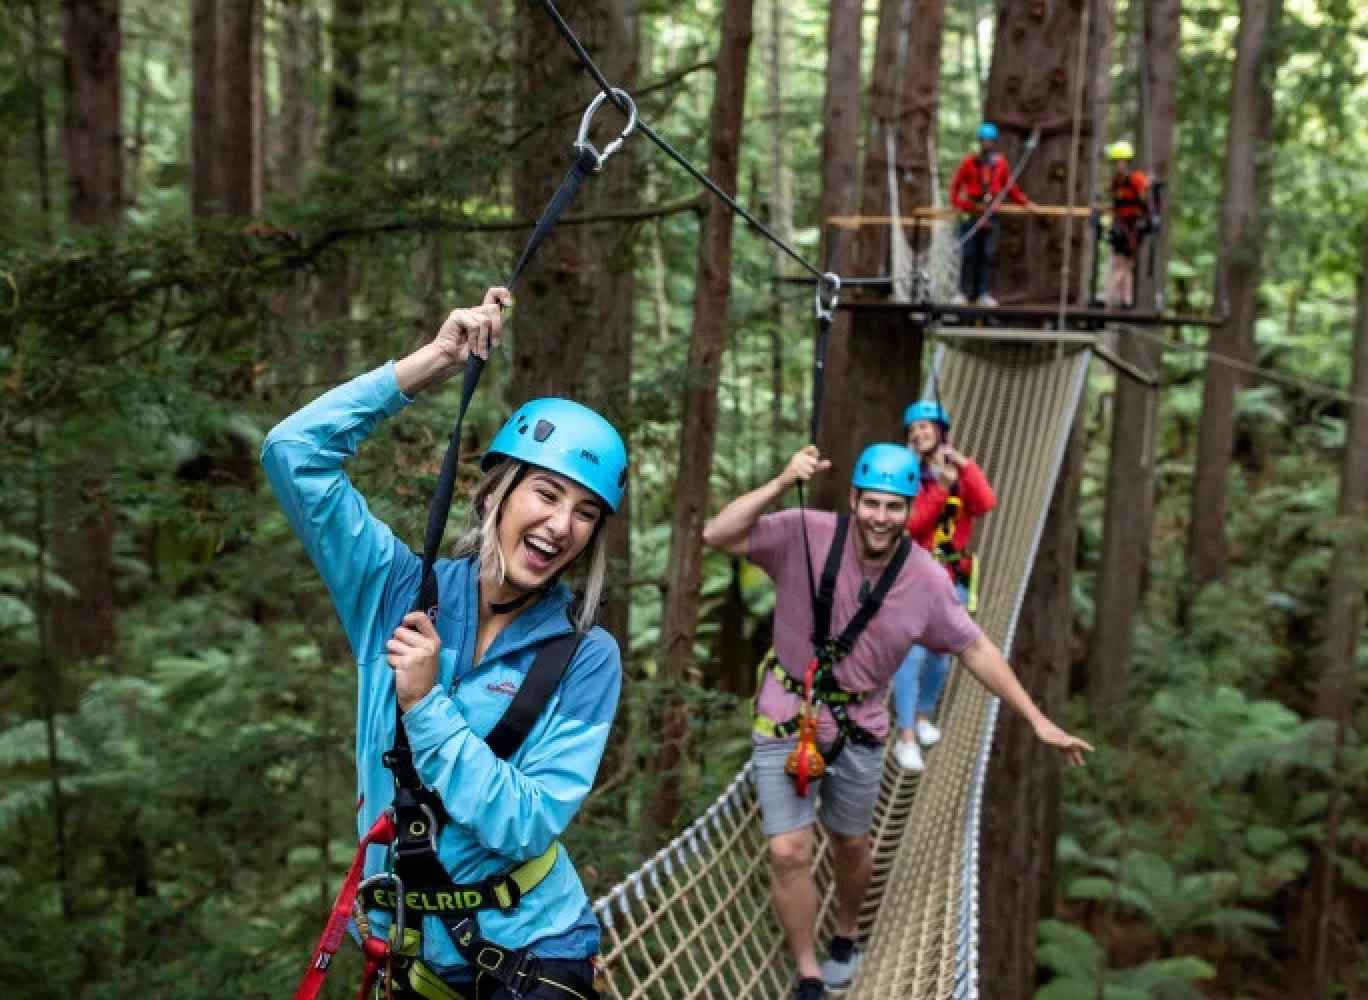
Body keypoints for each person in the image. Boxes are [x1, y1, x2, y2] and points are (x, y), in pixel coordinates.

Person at [263, 287, 624, 1000]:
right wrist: (431, 364)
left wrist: (426, 706)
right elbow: (292, 453)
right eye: (546, 494)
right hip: (417, 958)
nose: (562, 524)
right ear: (497, 493)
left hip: (536, 953)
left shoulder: (586, 654)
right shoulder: (393, 591)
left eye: (586, 513)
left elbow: (526, 822)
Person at [703, 442, 1091, 1000]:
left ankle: (847, 931)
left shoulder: (927, 580)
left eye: (895, 507)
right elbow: (718, 534)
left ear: (911, 510)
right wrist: (784, 480)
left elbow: (975, 648)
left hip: (861, 726)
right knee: (788, 852)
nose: (881, 518)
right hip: (789, 716)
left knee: (851, 843)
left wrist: (1035, 718)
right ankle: (809, 972)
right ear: (855, 500)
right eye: (873, 504)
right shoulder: (804, 531)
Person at [890, 401, 995, 772]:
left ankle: (921, 718)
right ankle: (904, 737)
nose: (920, 434)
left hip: (953, 579)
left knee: (941, 656)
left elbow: (985, 504)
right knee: (911, 655)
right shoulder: (906, 476)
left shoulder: (957, 472)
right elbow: (914, 523)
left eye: (925, 427)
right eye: (914, 429)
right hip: (915, 578)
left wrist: (963, 466)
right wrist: (940, 489)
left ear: (940, 430)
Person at [948, 121, 1031, 308]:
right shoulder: (969, 163)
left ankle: (983, 293)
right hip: (971, 212)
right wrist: (961, 204)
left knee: (986, 255)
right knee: (968, 254)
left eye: (990, 141)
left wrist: (1024, 202)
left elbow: (1009, 186)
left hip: (990, 213)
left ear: (995, 142)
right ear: (979, 142)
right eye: (983, 141)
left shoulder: (1000, 164)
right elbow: (955, 185)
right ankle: (962, 292)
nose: (986, 144)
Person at [1104, 140, 1155, 309]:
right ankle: (1126, 299)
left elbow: (1145, 201)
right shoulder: (1117, 182)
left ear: (1126, 162)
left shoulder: (1136, 179)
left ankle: (1109, 297)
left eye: (1119, 162)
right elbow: (1117, 203)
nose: (1117, 166)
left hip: (1133, 225)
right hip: (1121, 224)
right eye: (1115, 163)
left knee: (1124, 263)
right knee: (1121, 262)